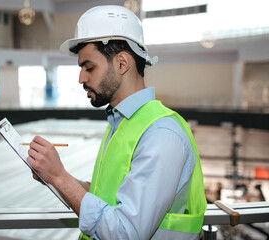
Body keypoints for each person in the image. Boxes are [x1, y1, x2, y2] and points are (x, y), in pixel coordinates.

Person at [26, 5, 207, 240]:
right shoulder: (121, 122)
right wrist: (55, 177)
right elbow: (107, 198)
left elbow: (125, 232)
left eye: (89, 67)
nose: (81, 78)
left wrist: (60, 177)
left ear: (122, 63)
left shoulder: (161, 134)